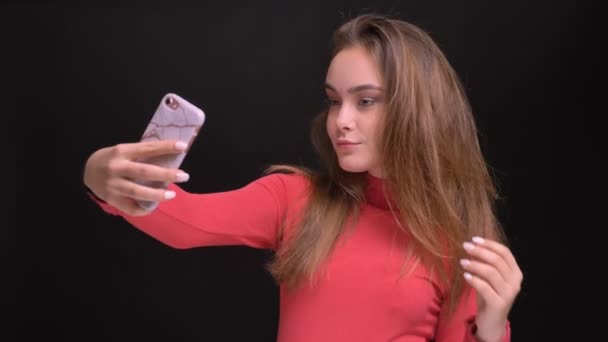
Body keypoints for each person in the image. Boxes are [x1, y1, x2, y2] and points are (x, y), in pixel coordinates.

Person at [83, 13, 522, 342]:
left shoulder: (458, 243)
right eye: (334, 101)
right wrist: (100, 175)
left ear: (418, 110)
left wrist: (490, 322)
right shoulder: (296, 198)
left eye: (365, 101)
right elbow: (187, 222)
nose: (341, 121)